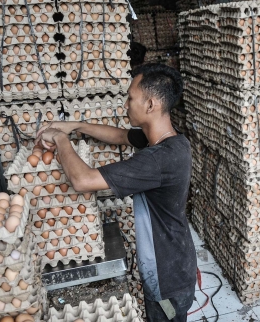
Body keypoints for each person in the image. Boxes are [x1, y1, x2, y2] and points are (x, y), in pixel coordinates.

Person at [36, 63, 197, 322]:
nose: (125, 104)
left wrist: (60, 139)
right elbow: (121, 136)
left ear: (150, 104)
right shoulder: (170, 141)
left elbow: (83, 180)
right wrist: (76, 126)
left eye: (131, 97)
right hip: (176, 259)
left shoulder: (158, 160)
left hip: (166, 276)